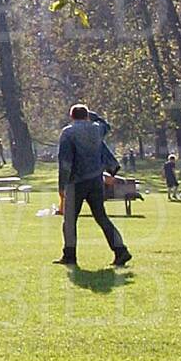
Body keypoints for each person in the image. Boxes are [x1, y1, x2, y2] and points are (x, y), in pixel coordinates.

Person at [57, 103, 131, 269]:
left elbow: (65, 162)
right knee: (101, 217)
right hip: (96, 180)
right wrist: (92, 115)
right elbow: (106, 124)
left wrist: (62, 185)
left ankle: (69, 255)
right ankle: (120, 250)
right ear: (87, 115)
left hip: (76, 181)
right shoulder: (97, 129)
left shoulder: (68, 133)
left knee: (69, 220)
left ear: (71, 116)